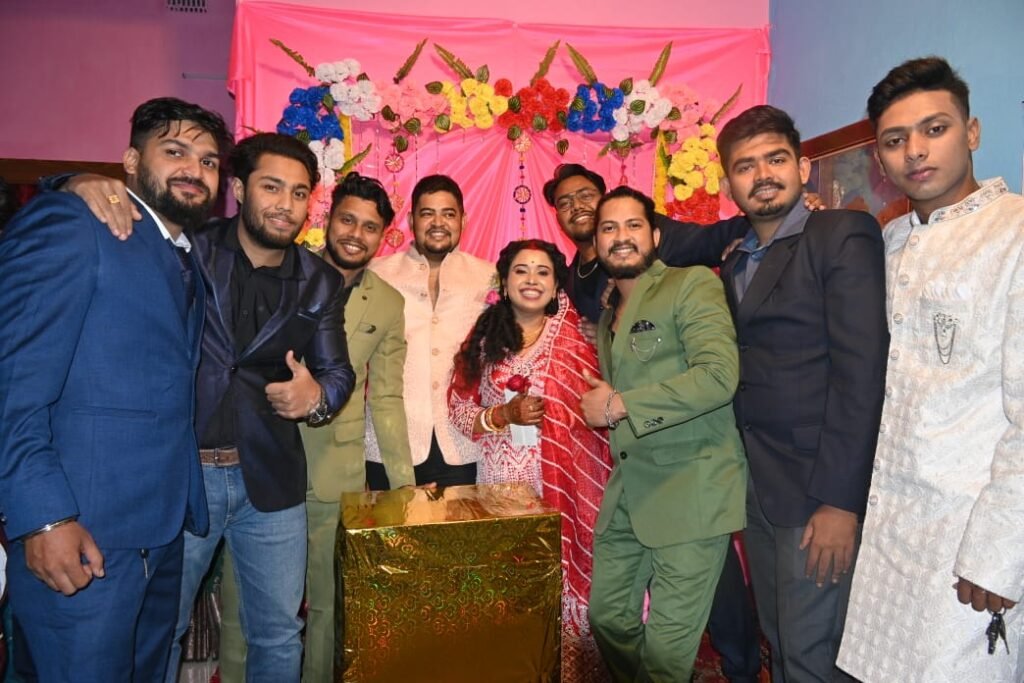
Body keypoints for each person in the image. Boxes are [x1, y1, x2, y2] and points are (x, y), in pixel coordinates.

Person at [62, 132, 357, 683]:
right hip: (181, 475)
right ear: (239, 189)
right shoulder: (187, 246)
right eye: (272, 187)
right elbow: (109, 210)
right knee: (163, 626)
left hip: (269, 481)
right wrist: (75, 180)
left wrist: (316, 398)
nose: (285, 205)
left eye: (298, 194)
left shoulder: (319, 280)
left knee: (278, 633)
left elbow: (339, 373)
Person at [0, 96, 228, 683]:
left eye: (208, 161)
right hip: (81, 532)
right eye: (175, 151)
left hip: (158, 532)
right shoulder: (76, 223)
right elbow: (12, 382)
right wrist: (42, 518)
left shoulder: (182, 255)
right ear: (130, 160)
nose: (194, 170)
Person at [837, 56, 1024, 682]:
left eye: (934, 129)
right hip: (890, 532)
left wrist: (999, 554)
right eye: (895, 140)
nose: (915, 151)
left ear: (972, 132)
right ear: (880, 158)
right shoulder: (888, 244)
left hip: (969, 539)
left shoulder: (1015, 232)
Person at [714, 104, 889, 682]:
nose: (763, 174)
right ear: (728, 185)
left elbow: (861, 373)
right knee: (781, 640)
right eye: (746, 166)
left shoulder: (840, 234)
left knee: (813, 652)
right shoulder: (736, 259)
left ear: (804, 167)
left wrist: (841, 502)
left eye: (776, 159)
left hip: (818, 492)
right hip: (759, 490)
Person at [218, 172, 414, 683]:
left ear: (383, 236)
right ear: (328, 219)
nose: (355, 234)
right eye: (347, 219)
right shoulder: (285, 272)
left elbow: (385, 398)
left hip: (334, 473)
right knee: (245, 599)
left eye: (369, 227)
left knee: (329, 604)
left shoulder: (389, 304)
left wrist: (404, 487)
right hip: (262, 460)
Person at [580, 186, 747, 681]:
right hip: (630, 493)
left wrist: (620, 405)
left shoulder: (690, 284)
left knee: (667, 651)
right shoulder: (608, 314)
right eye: (609, 228)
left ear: (654, 236)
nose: (621, 236)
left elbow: (718, 376)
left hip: (692, 489)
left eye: (633, 225)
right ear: (597, 243)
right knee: (607, 618)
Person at [448, 239, 612, 682]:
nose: (532, 280)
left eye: (543, 272)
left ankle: (573, 672)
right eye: (521, 270)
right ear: (504, 282)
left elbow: (598, 409)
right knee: (513, 590)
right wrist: (502, 415)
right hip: (502, 494)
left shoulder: (578, 337)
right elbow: (459, 410)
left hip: (567, 491)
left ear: (557, 285)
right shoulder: (484, 341)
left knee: (567, 587)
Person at [368, 174, 495, 487]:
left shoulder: (489, 276)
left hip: (463, 443)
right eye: (427, 213)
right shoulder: (376, 273)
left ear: (463, 220)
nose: (438, 223)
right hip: (389, 442)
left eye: (448, 214)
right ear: (411, 220)